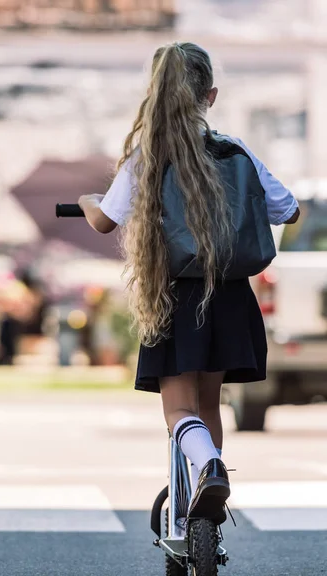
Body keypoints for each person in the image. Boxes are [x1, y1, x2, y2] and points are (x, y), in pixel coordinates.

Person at [77, 42, 300, 525]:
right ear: (210, 96)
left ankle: (209, 468)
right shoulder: (237, 152)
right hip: (231, 292)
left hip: (175, 295)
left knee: (179, 410)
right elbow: (289, 209)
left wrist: (88, 198)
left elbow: (104, 221)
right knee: (209, 402)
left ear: (156, 95)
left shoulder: (148, 157)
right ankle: (206, 513)